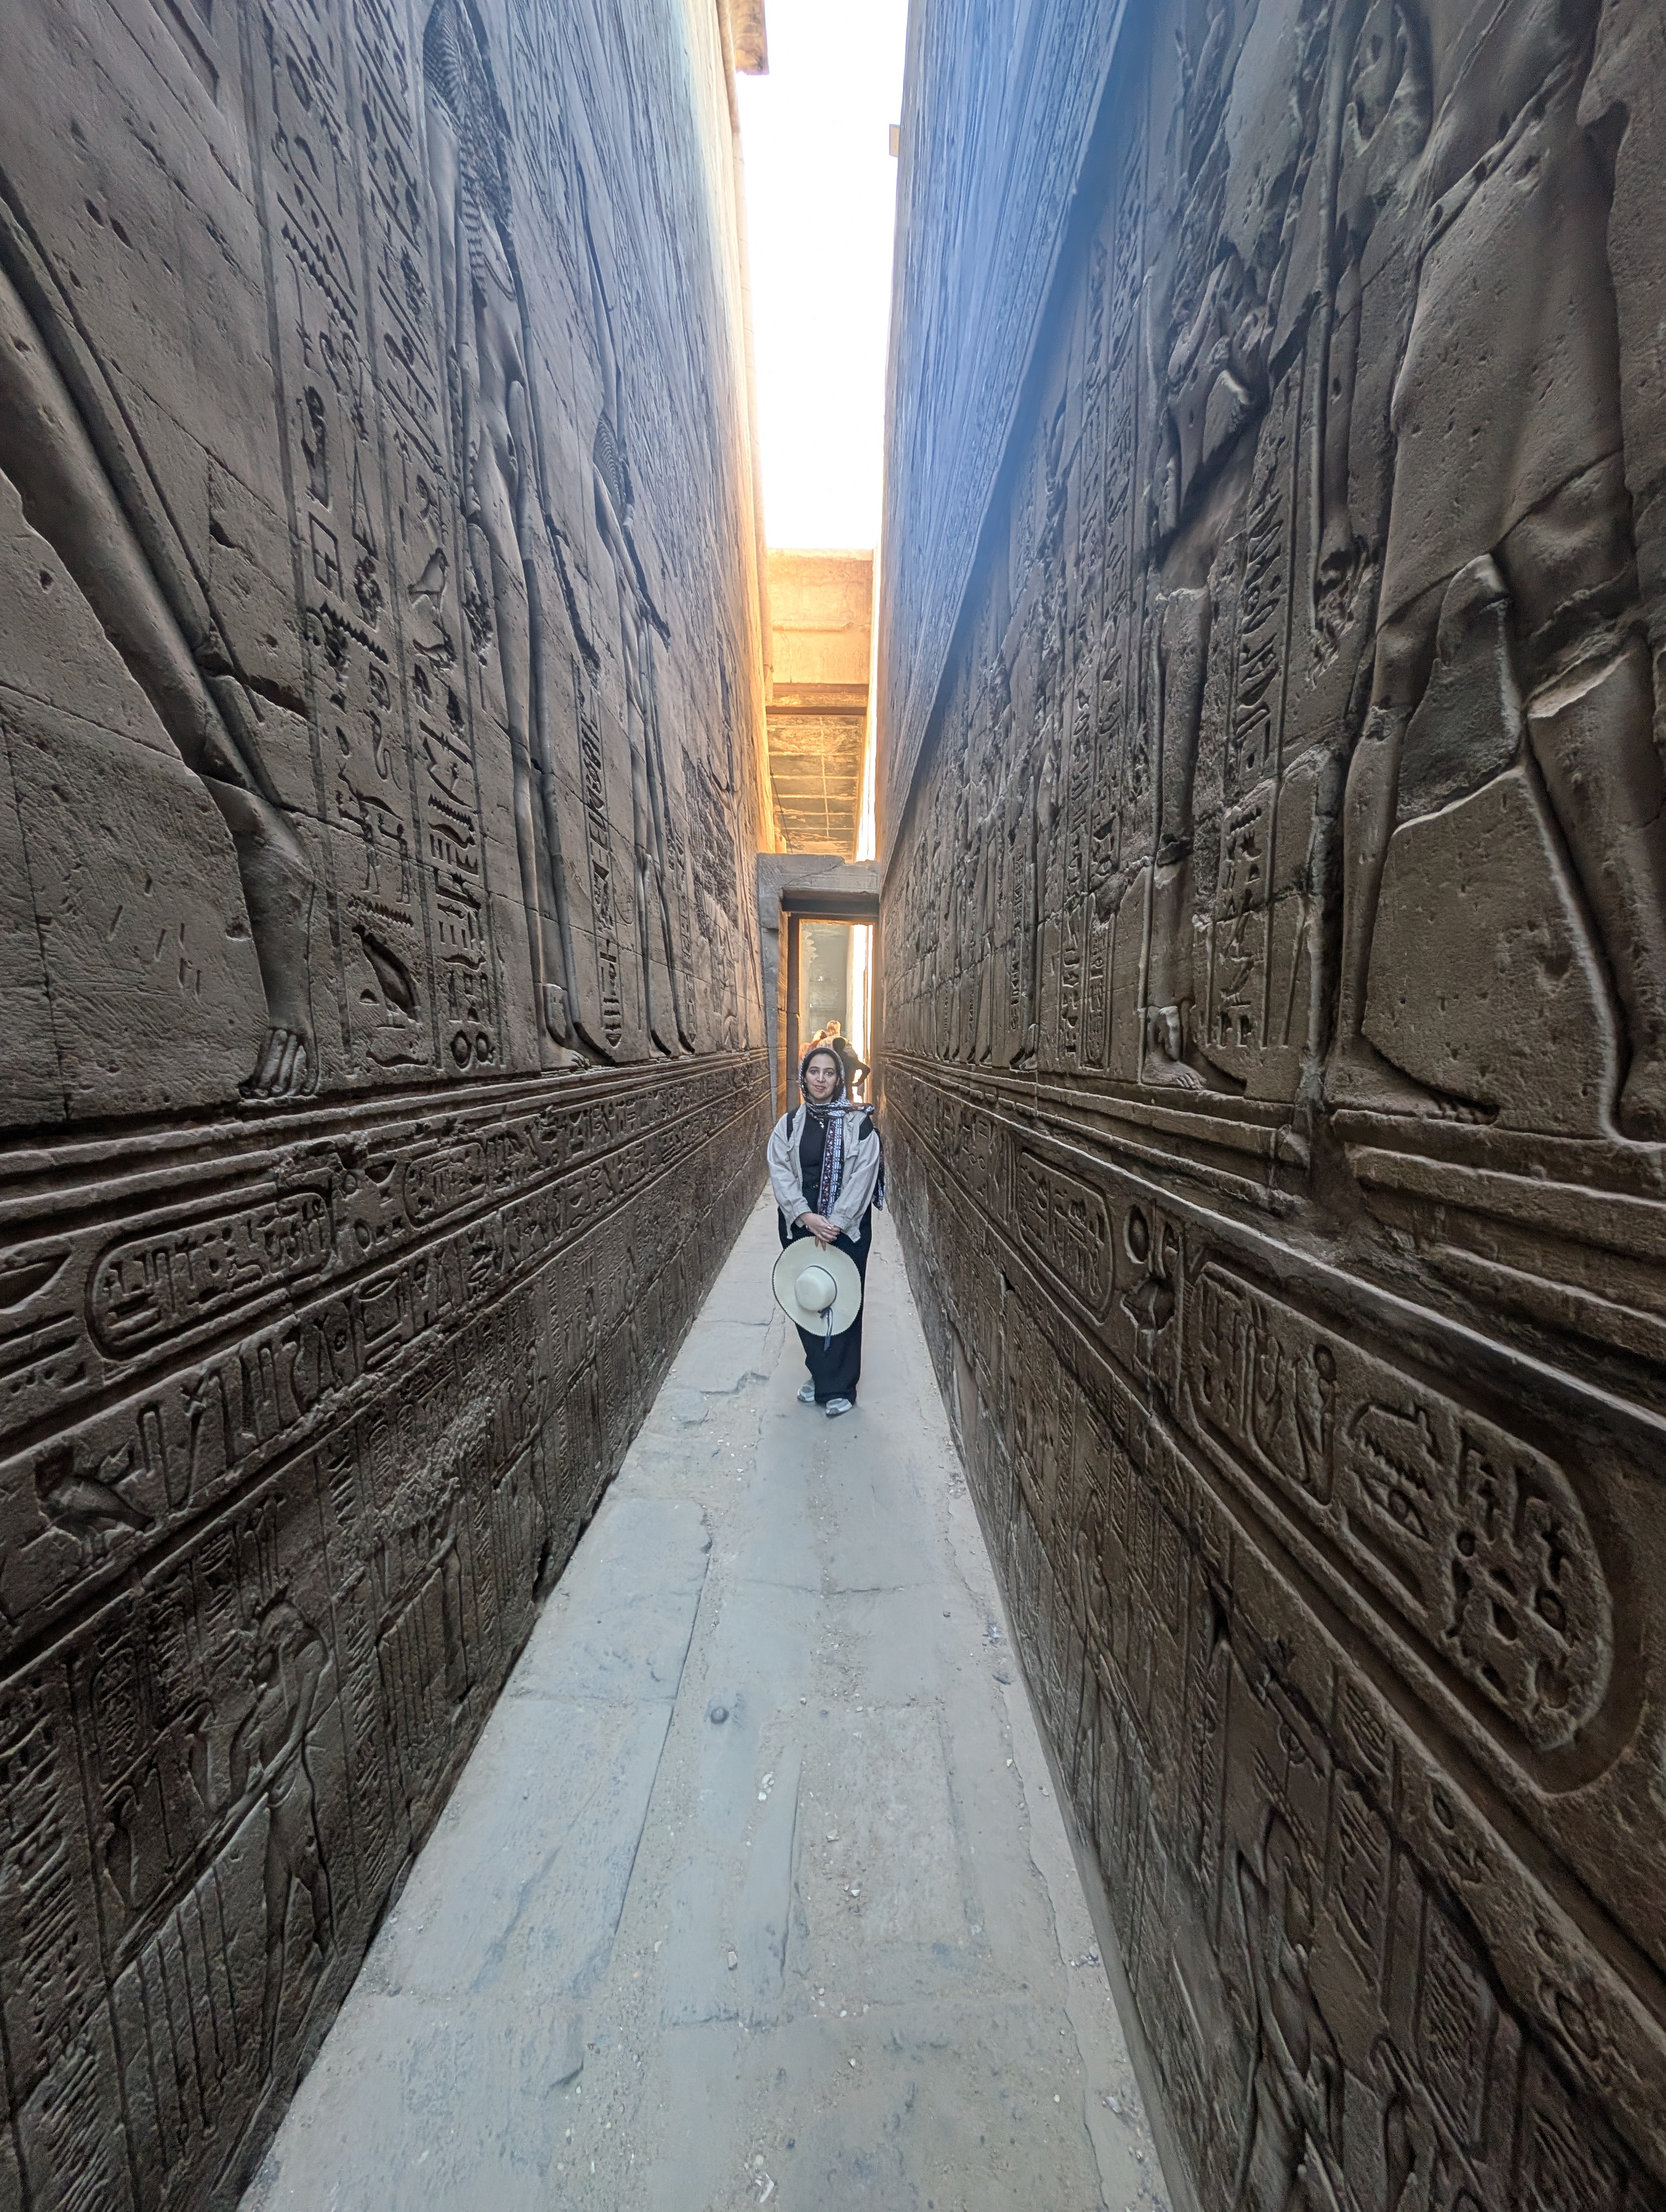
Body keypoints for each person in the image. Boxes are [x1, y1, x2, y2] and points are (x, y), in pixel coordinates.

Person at [767, 1045, 883, 1415]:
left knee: (843, 1303)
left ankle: (840, 1388)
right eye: (814, 1072)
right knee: (809, 1300)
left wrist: (834, 1222)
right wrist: (806, 1216)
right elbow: (780, 1172)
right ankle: (820, 1373)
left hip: (845, 1230)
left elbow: (864, 1175)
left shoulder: (858, 1124)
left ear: (840, 1079)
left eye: (829, 1073)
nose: (821, 1079)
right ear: (804, 1077)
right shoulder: (789, 1125)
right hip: (802, 1226)